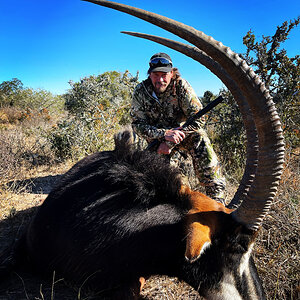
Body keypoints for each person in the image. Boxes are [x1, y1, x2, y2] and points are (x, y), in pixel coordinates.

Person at [131, 52, 226, 204]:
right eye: (156, 75)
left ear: (172, 73)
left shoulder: (181, 85)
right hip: (157, 142)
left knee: (200, 137)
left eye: (164, 74)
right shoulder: (140, 91)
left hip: (182, 136)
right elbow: (137, 125)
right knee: (167, 188)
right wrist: (164, 135)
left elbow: (199, 117)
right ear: (149, 74)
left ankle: (217, 199)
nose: (160, 80)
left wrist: (170, 141)